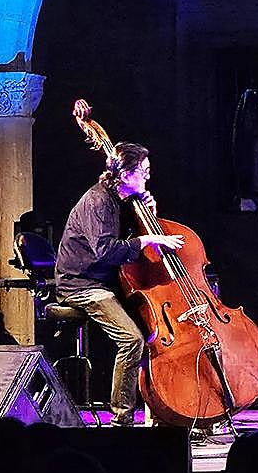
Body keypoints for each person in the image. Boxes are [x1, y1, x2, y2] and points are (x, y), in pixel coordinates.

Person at [55, 142, 184, 426]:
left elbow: (124, 242)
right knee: (131, 339)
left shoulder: (122, 201)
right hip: (82, 284)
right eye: (143, 172)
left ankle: (162, 411)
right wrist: (146, 239)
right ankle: (122, 418)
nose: (148, 177)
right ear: (125, 175)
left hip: (107, 281)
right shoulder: (98, 202)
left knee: (154, 333)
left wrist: (147, 215)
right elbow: (105, 251)